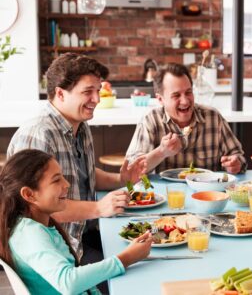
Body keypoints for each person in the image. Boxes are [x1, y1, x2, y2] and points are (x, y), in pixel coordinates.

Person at [7, 53, 147, 262]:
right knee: (132, 275)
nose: (97, 99)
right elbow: (39, 208)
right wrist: (99, 208)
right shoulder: (40, 134)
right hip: (60, 250)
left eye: (98, 91)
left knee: (150, 246)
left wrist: (120, 180)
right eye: (87, 92)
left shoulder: (79, 125)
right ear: (61, 94)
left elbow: (85, 176)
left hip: (85, 232)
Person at [0, 149, 153, 295]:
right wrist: (126, 258)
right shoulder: (30, 234)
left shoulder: (36, 225)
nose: (66, 184)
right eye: (56, 180)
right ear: (28, 194)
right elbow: (68, 282)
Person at [126, 62, 246, 174]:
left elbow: (238, 156)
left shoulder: (213, 117)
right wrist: (161, 152)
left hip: (208, 194)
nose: (185, 101)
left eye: (188, 92)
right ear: (160, 99)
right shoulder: (151, 120)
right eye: (176, 95)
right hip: (167, 194)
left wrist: (235, 164)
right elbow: (131, 170)